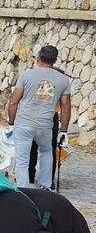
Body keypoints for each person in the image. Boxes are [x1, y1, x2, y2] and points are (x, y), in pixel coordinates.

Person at [8, 46, 71, 189]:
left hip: (23, 123)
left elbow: (13, 102)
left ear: (38, 59)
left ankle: (24, 190)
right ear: (55, 61)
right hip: (45, 125)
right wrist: (64, 130)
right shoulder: (63, 79)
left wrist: (11, 123)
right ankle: (45, 186)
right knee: (46, 151)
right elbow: (66, 107)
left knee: (22, 159)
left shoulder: (26, 75)